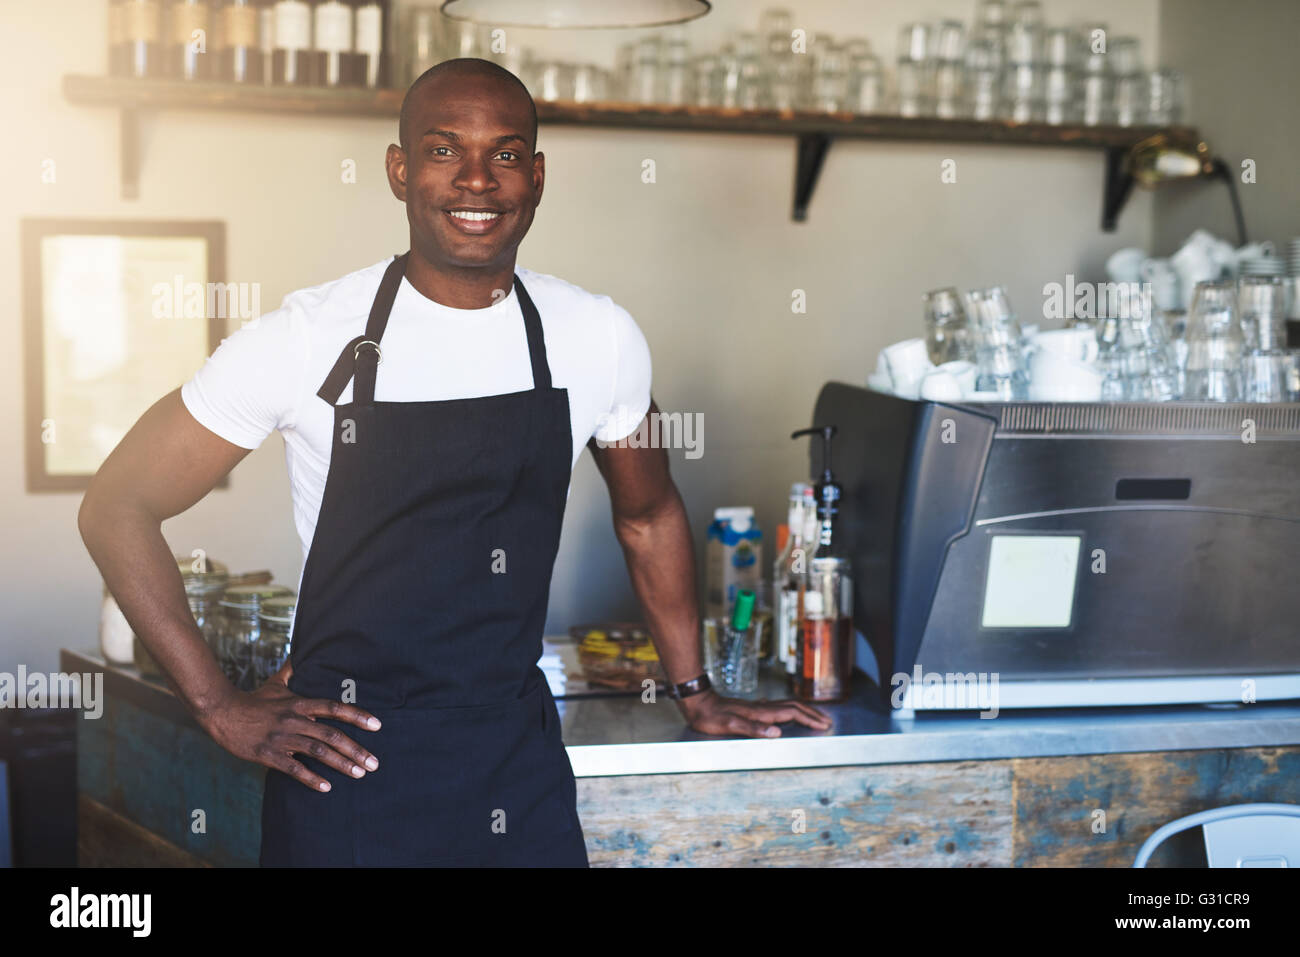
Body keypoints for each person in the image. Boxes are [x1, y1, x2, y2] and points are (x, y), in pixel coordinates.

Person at [78, 58, 831, 867]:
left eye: (505, 155)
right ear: (400, 170)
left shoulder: (595, 336)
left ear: (535, 177)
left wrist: (696, 692)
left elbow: (647, 514)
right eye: (444, 151)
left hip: (515, 763)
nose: (477, 180)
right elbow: (117, 503)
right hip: (345, 773)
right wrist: (218, 705)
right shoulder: (304, 338)